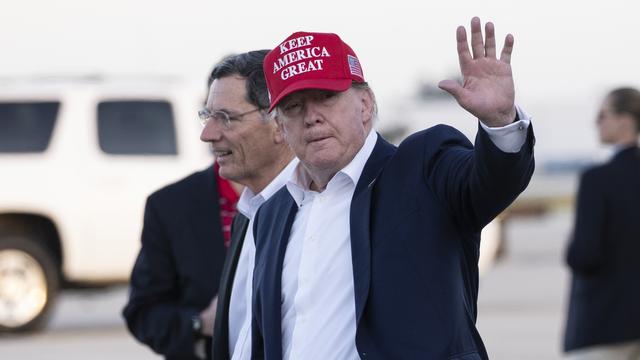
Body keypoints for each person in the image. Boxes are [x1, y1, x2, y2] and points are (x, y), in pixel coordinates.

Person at [250, 17, 535, 359]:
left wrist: (500, 123)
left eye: (326, 97)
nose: (311, 116)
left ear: (365, 104)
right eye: (294, 107)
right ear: (280, 126)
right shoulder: (271, 214)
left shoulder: (423, 166)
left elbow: (491, 183)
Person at [200, 51, 297, 360]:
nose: (208, 134)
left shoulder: (314, 215)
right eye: (207, 116)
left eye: (226, 118)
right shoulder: (250, 211)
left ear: (279, 123)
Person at [122, 162, 239, 360]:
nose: (210, 135)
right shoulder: (171, 204)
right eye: (205, 127)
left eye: (230, 127)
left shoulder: (303, 191)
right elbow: (143, 313)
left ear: (277, 131)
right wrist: (199, 322)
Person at [564, 87, 640, 359]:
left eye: (602, 115)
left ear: (625, 121)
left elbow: (584, 255)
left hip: (604, 325)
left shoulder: (598, 180)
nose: (597, 122)